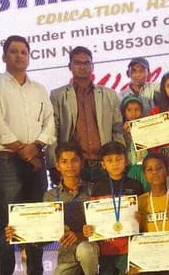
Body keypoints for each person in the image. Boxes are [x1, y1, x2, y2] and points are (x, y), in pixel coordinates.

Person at [0, 35, 56, 275]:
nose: (19, 56)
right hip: (7, 161)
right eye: (13, 51)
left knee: (35, 220)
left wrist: (35, 147)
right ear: (4, 56)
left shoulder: (39, 89)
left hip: (36, 160)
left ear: (29, 56)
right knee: (9, 224)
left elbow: (50, 122)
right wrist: (22, 149)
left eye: (24, 52)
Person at [6, 142, 101, 275]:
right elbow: (44, 237)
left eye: (74, 160)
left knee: (85, 250)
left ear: (81, 163)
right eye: (64, 161)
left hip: (90, 250)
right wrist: (19, 233)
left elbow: (102, 226)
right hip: (66, 257)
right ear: (57, 166)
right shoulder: (50, 196)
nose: (70, 165)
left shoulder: (93, 190)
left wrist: (79, 235)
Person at [50, 46, 124, 183]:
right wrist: (53, 164)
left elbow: (118, 129)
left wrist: (120, 159)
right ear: (70, 66)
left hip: (105, 163)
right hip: (74, 165)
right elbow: (53, 132)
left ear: (92, 66)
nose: (82, 67)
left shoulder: (109, 94)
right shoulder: (58, 95)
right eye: (77, 63)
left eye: (86, 63)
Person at [83, 141, 144, 275]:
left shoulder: (135, 186)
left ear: (126, 161)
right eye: (109, 160)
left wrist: (140, 218)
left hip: (128, 247)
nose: (115, 164)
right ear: (103, 165)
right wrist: (89, 227)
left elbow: (142, 212)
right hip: (106, 247)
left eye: (119, 159)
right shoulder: (98, 187)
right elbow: (93, 217)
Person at [120, 95, 149, 191]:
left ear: (142, 111)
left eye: (137, 109)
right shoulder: (122, 130)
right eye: (129, 110)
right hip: (129, 167)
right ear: (124, 112)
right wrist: (126, 133)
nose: (133, 113)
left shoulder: (146, 128)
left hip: (144, 166)